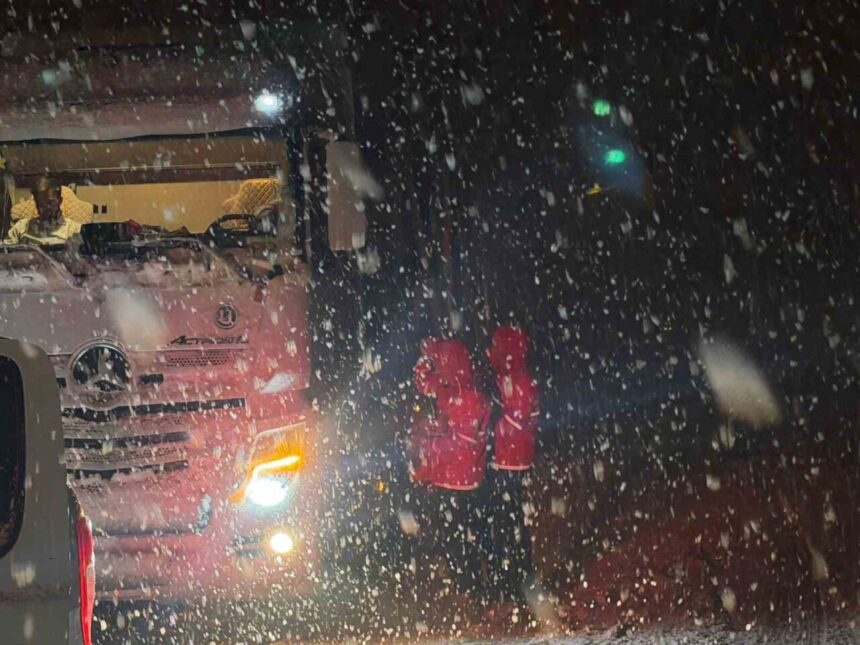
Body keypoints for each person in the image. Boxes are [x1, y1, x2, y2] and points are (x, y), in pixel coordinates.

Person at [407, 337, 492, 607]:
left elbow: (463, 442)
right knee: (458, 536)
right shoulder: (451, 386)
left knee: (460, 538)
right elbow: (424, 384)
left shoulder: (465, 395)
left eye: (441, 364)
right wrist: (425, 358)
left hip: (461, 478)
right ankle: (471, 587)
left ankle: (473, 593)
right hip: (452, 476)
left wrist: (429, 443)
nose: (438, 371)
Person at [484, 324, 540, 614]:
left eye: (496, 346)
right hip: (510, 460)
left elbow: (516, 420)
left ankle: (517, 582)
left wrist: (493, 426)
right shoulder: (515, 376)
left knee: (510, 520)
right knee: (509, 519)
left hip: (510, 461)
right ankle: (514, 580)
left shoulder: (515, 378)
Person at [4, 176, 82, 245]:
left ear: (60, 201)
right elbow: (5, 254)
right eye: (40, 203)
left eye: (49, 202)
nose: (45, 208)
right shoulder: (22, 227)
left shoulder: (74, 230)